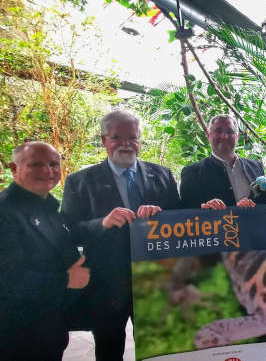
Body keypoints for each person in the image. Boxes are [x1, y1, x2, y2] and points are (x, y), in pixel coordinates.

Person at [61, 110, 180, 360]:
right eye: (117, 137)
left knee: (161, 347)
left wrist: (163, 217)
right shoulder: (79, 181)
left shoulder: (163, 175)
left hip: (156, 279)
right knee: (109, 348)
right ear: (104, 140)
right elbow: (69, 232)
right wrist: (102, 223)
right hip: (107, 284)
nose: (126, 144)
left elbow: (181, 221)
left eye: (132, 137)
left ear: (140, 140)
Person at [0, 142, 90, 360]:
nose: (47, 171)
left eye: (53, 164)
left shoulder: (48, 207)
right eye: (36, 164)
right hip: (11, 335)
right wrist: (66, 280)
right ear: (13, 168)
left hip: (49, 329)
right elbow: (0, 280)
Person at [180, 115, 264, 209]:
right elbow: (186, 215)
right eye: (218, 131)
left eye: (230, 131)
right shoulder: (192, 173)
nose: (224, 136)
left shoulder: (255, 167)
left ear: (237, 136)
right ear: (208, 135)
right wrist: (205, 208)